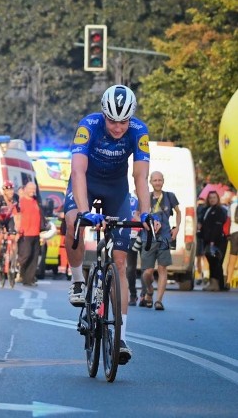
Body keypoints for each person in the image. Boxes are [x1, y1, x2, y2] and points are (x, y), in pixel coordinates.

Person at [64, 85, 157, 365]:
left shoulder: (139, 131)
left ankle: (122, 338)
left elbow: (140, 177)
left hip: (117, 189)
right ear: (104, 114)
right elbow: (77, 170)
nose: (118, 127)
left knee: (120, 263)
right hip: (87, 183)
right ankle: (79, 280)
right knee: (72, 222)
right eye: (113, 120)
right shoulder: (88, 126)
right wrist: (83, 212)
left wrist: (145, 212)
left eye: (123, 121)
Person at [139, 171, 181, 309]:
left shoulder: (170, 196)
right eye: (155, 180)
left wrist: (177, 228)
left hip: (164, 237)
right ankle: (149, 290)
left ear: (163, 181)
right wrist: (144, 224)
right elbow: (138, 214)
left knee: (163, 268)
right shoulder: (146, 197)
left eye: (159, 180)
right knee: (147, 272)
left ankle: (159, 301)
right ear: (151, 182)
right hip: (148, 237)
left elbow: (179, 212)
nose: (157, 182)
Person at [199, 191, 228, 291]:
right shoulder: (206, 209)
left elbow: (217, 227)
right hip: (208, 240)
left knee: (216, 262)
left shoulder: (219, 210)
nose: (212, 199)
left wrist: (212, 241)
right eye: (210, 197)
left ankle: (216, 284)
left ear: (217, 198)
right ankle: (218, 284)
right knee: (212, 262)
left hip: (217, 240)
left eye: (214, 197)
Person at [15, 181, 42, 286]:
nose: (32, 191)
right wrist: (18, 230)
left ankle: (29, 279)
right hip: (25, 233)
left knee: (34, 257)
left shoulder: (36, 201)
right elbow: (17, 216)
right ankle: (19, 271)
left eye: (34, 189)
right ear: (25, 189)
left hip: (36, 233)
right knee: (25, 255)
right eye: (30, 189)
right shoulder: (21, 202)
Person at [0, 181, 19, 275]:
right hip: (0, 219)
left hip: (9, 219)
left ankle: (14, 263)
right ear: (4, 192)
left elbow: (17, 214)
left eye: (12, 190)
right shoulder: (0, 199)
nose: (11, 192)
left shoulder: (16, 198)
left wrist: (18, 229)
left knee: (13, 239)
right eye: (8, 190)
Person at [226, 192, 238, 288]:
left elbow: (229, 220)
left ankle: (228, 281)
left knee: (232, 258)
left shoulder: (233, 205)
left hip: (234, 233)